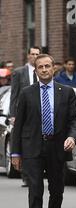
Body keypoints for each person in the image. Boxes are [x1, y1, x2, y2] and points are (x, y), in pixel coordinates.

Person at [11, 54, 76, 208]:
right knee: (35, 191)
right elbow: (19, 125)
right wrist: (15, 153)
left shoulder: (66, 92)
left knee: (57, 191)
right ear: (35, 71)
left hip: (57, 147)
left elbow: (75, 120)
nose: (44, 70)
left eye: (47, 66)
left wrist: (72, 137)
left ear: (53, 69)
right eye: (40, 67)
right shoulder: (27, 93)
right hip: (32, 147)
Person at [10, 46, 41, 188]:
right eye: (33, 54)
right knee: (25, 141)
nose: (35, 56)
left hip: (39, 112)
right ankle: (26, 175)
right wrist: (13, 115)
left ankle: (36, 171)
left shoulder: (43, 71)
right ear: (28, 55)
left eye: (37, 54)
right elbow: (14, 95)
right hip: (23, 112)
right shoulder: (19, 72)